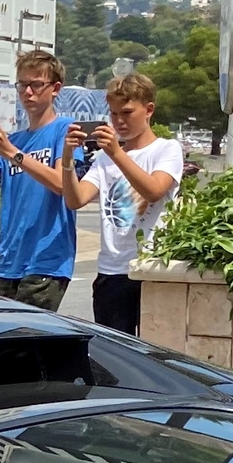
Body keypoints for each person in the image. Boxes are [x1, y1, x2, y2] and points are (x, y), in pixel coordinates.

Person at [0, 49, 78, 310]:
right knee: (5, 344)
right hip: (9, 261)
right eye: (22, 85)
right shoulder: (13, 141)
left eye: (36, 85)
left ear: (55, 88)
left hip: (46, 261)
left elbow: (61, 184)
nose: (28, 92)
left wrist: (12, 153)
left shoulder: (63, 130)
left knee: (24, 345)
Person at [63, 72, 186, 334]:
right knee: (115, 360)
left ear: (149, 109)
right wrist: (66, 160)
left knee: (153, 355)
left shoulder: (166, 149)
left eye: (127, 112)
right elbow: (76, 199)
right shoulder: (105, 158)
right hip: (111, 271)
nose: (119, 121)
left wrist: (117, 153)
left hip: (152, 268)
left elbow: (154, 190)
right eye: (114, 113)